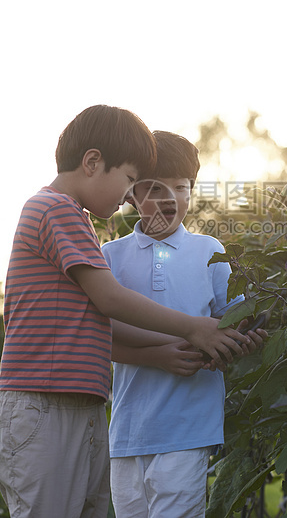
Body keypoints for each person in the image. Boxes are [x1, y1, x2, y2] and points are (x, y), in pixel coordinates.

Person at [0, 106, 250, 518]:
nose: (126, 196)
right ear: (93, 162)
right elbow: (111, 301)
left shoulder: (75, 219)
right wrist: (194, 329)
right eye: (132, 181)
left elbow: (96, 326)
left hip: (78, 400)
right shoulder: (56, 210)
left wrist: (183, 342)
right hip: (45, 400)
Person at [102, 130, 267, 518]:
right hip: (127, 430)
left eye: (182, 187)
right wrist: (158, 355)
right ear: (132, 193)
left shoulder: (209, 251)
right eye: (157, 189)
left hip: (188, 425)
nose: (171, 198)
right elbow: (97, 332)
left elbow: (235, 321)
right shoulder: (109, 256)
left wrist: (241, 340)